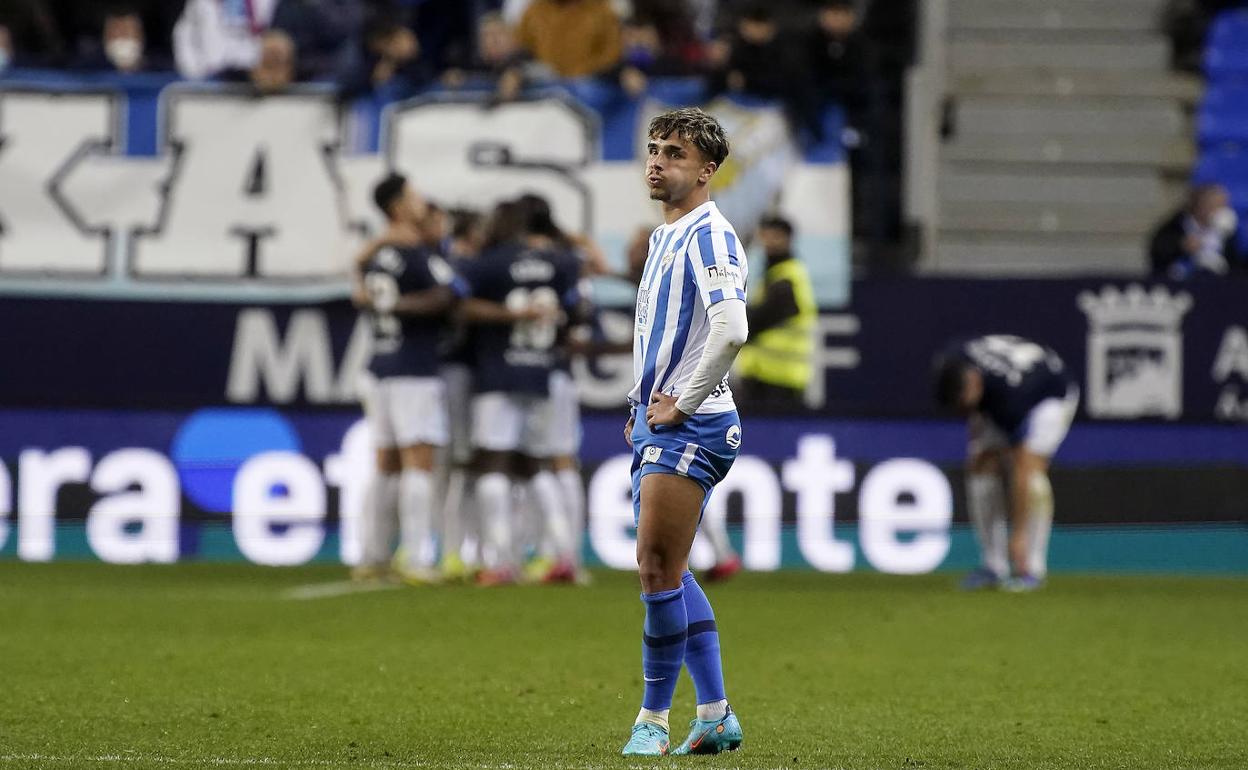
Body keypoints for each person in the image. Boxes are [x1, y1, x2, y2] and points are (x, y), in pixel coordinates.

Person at [621, 107, 748, 757]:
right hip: (662, 419)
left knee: (654, 569)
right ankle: (716, 713)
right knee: (669, 569)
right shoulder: (668, 232)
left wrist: (679, 405)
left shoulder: (709, 235)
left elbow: (731, 329)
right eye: (654, 148)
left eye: (673, 153)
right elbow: (669, 335)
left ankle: (652, 719)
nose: (657, 160)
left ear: (707, 170)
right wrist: (642, 402)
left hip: (694, 425)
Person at [459, 200, 581, 586]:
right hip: (541, 371)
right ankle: (564, 555)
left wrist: (509, 315)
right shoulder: (559, 263)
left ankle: (500, 560)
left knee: (492, 464)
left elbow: (461, 306)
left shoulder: (491, 262)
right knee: (536, 465)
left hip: (498, 373)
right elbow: (576, 308)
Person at [351, 173, 463, 584]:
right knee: (419, 463)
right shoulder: (414, 252)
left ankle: (370, 554)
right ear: (398, 206)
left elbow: (359, 287)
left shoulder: (378, 253)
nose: (421, 203)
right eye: (414, 197)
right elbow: (445, 294)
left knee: (385, 464)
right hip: (413, 368)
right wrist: (406, 303)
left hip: (380, 364)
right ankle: (416, 556)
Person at [932, 335, 1080, 593]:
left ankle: (1030, 568)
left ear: (975, 383)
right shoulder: (953, 360)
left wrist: (1018, 535)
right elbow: (975, 416)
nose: (964, 412)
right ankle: (993, 566)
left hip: (1050, 396)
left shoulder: (1011, 398)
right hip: (1007, 384)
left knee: (1031, 472)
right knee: (980, 464)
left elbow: (1021, 467)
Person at [734, 215, 817, 409]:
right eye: (765, 236)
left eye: (775, 236)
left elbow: (754, 322)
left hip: (779, 382)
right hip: (764, 378)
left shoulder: (788, 279)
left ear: (788, 239)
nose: (769, 242)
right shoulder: (773, 275)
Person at [1149, 183, 1245, 279]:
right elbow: (1157, 251)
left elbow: (1237, 264)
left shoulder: (1228, 232)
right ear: (1200, 205)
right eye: (1215, 205)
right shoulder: (1177, 224)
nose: (1221, 210)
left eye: (1223, 205)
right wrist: (1181, 245)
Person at [515, 0, 622, 78]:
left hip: (590, 83)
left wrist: (584, 72)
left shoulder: (602, 11)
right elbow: (521, 49)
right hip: (545, 83)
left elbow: (612, 55)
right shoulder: (534, 11)